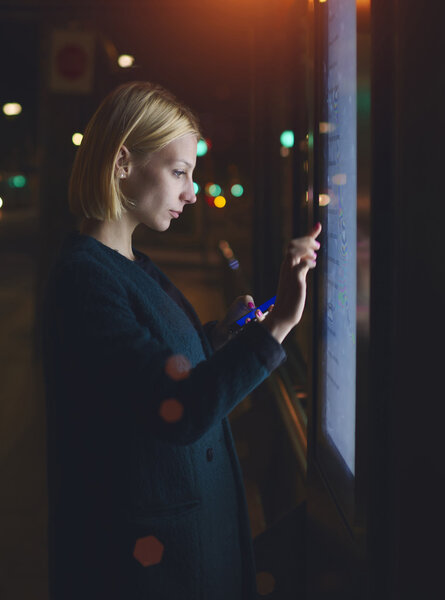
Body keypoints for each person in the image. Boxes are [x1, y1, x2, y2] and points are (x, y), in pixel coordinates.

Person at [42, 81, 321, 600]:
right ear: (123, 161)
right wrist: (279, 325)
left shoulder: (126, 266)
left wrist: (221, 336)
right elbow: (175, 406)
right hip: (149, 573)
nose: (192, 193)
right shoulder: (86, 279)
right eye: (179, 173)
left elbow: (147, 375)